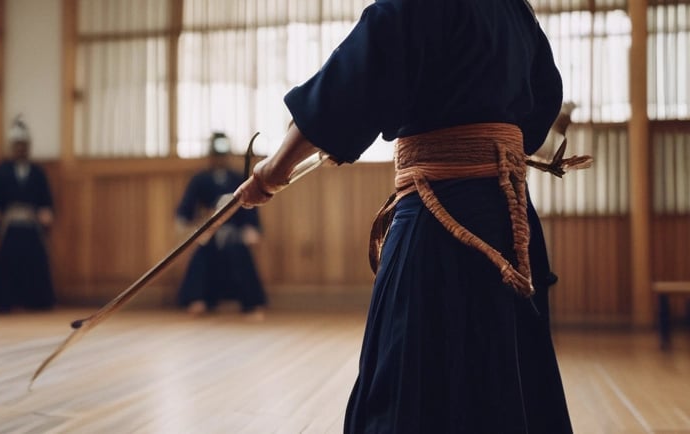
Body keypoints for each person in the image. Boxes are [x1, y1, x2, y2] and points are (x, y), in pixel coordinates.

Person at [235, 1, 573, 433]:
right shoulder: (514, 9)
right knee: (507, 378)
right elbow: (541, 108)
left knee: (411, 381)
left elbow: (347, 88)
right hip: (508, 221)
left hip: (441, 220)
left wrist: (271, 171)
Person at [176, 132, 267, 319]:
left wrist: (252, 228)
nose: (219, 158)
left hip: (235, 232)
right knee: (201, 253)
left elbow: (250, 207)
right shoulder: (200, 179)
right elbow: (185, 210)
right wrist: (191, 226)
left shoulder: (237, 178)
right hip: (210, 230)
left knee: (239, 252)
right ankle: (197, 299)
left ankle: (252, 303)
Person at [0, 116, 55, 311]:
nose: (20, 149)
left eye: (23, 145)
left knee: (35, 261)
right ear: (11, 147)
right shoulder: (1, 171)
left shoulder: (37, 172)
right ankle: (4, 301)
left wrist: (46, 213)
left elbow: (46, 201)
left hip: (31, 226)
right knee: (6, 263)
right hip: (9, 226)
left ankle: (36, 301)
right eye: (17, 145)